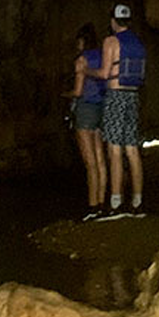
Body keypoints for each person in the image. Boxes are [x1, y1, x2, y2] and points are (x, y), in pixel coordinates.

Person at [95, 3, 146, 216]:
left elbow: (105, 72)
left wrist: (87, 71)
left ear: (113, 21)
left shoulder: (111, 41)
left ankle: (116, 203)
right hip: (133, 96)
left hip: (115, 96)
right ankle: (137, 202)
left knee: (114, 149)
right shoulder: (138, 43)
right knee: (132, 150)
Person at [69, 23, 107, 219]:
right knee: (100, 159)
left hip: (85, 110)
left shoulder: (82, 60)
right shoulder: (102, 56)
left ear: (82, 41)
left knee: (90, 162)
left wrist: (65, 95)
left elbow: (77, 90)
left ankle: (92, 207)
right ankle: (102, 203)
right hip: (101, 109)